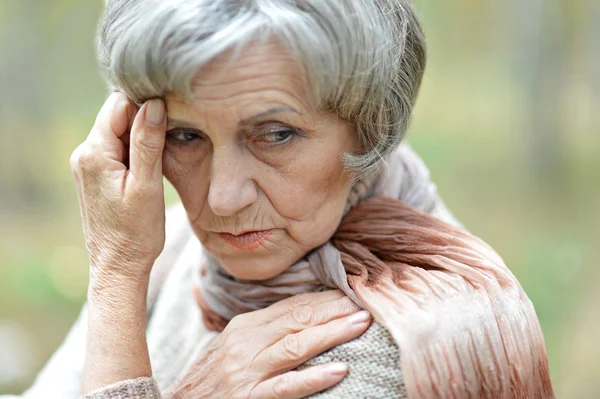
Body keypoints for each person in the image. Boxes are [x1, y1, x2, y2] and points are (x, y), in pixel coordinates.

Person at [4, 0, 554, 398]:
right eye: (184, 136)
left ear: (370, 128)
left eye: (275, 134)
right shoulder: (163, 250)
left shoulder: (393, 342)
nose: (222, 198)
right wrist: (119, 274)